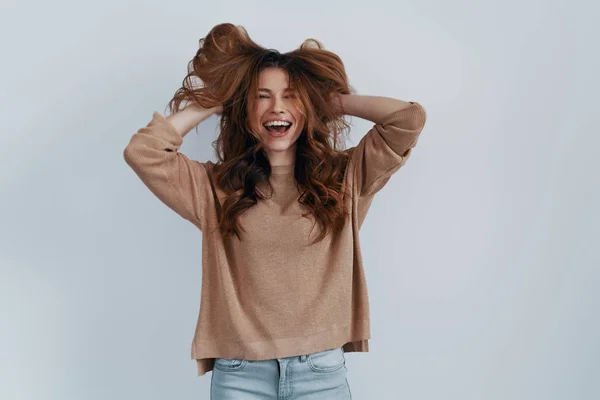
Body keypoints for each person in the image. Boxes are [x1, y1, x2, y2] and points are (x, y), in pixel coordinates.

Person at [123, 23, 427, 399]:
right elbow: (143, 153)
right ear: (246, 111)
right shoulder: (215, 188)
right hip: (239, 375)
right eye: (261, 97)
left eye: (291, 96)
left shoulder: (344, 179)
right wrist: (214, 100)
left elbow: (407, 119)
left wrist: (331, 100)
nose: (277, 107)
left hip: (321, 373)